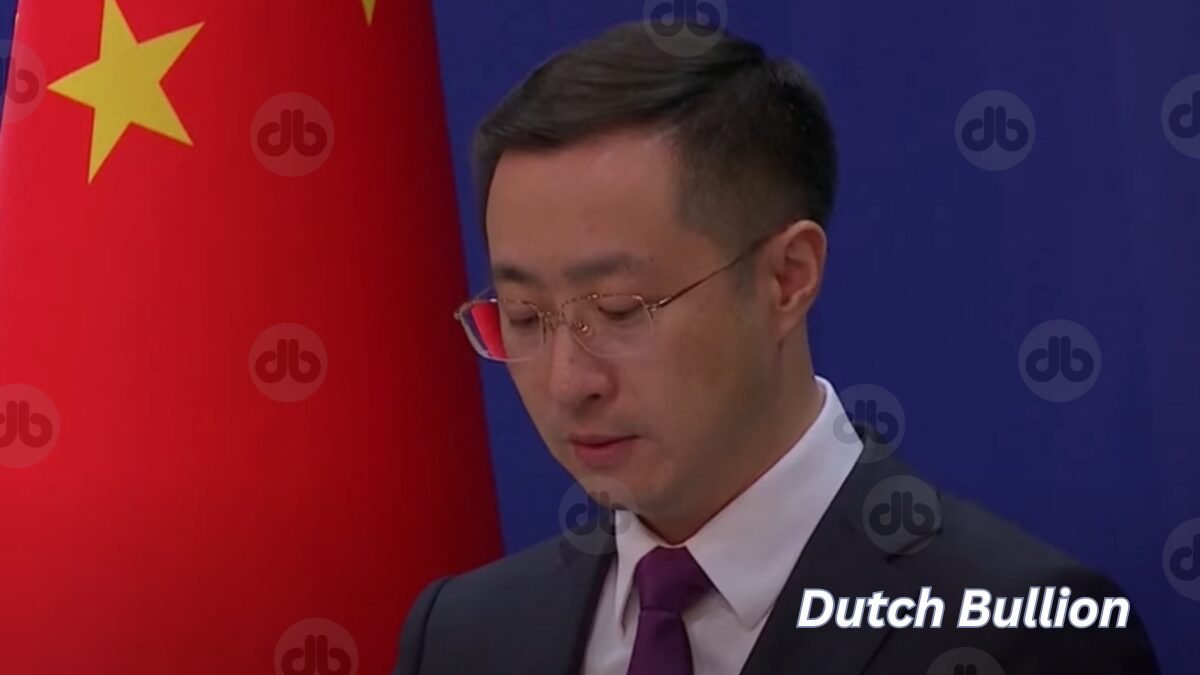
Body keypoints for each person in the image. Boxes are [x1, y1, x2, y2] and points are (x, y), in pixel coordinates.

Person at [394, 20, 1159, 675]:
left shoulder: (1022, 633)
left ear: (787, 278)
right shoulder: (464, 635)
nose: (569, 381)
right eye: (525, 317)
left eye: (620, 309)